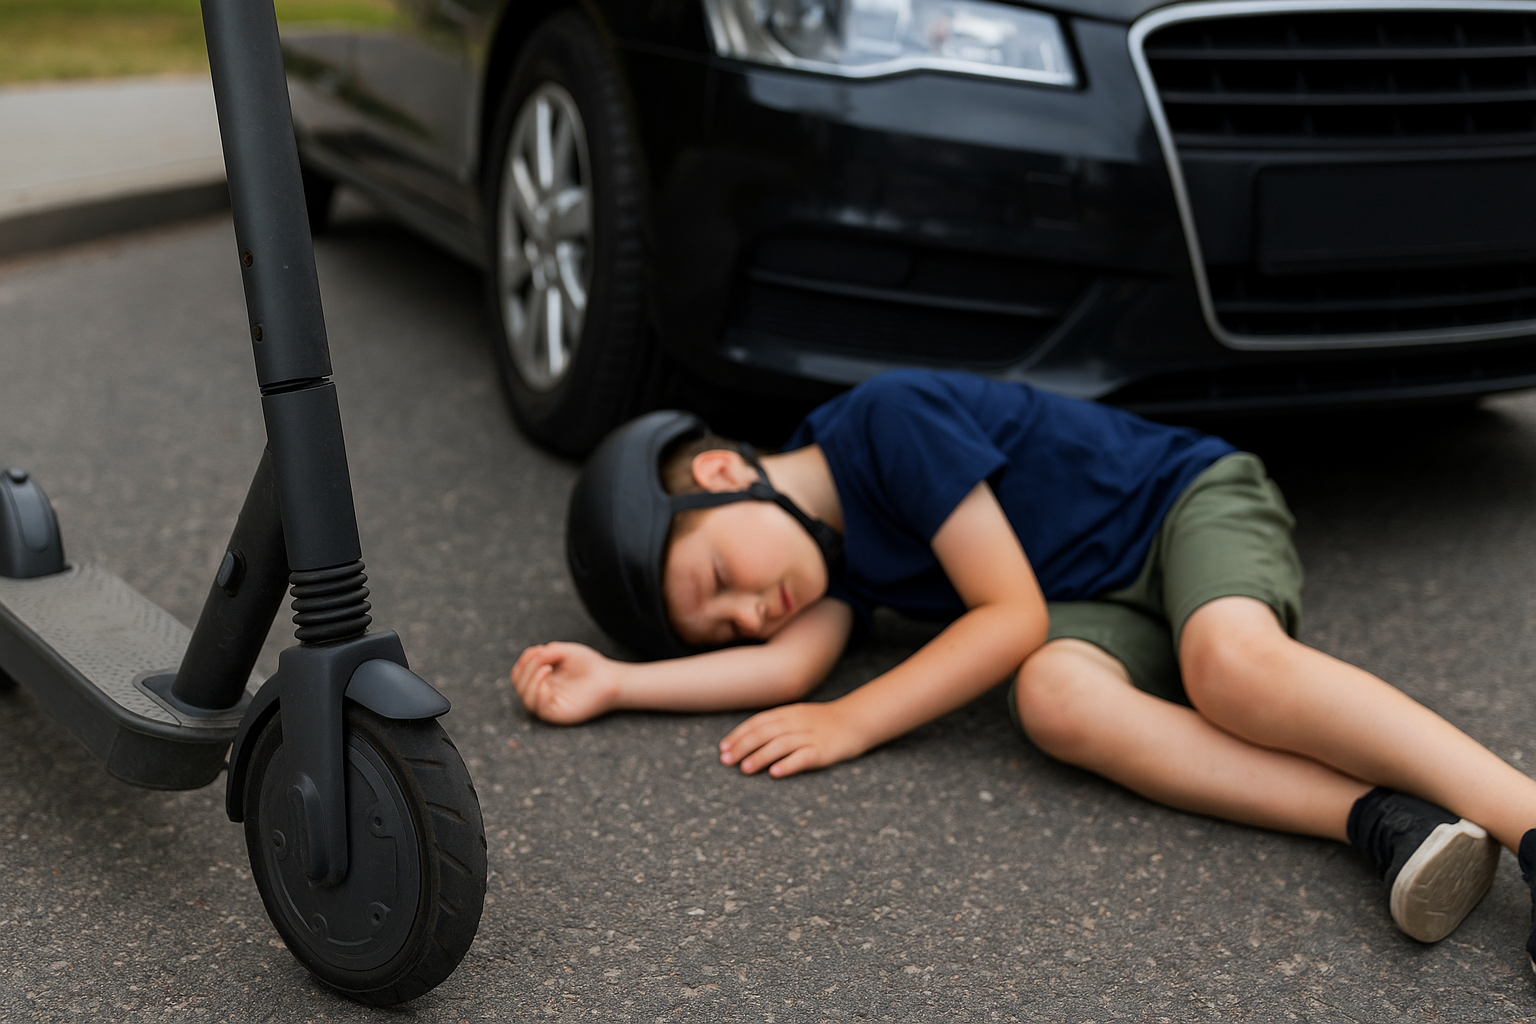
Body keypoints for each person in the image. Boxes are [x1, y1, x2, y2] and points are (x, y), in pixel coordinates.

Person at [511, 368, 1536, 961]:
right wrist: (618, 681)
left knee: (1227, 664)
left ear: (725, 473)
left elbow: (1007, 613)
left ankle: (1525, 815)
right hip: (1095, 602)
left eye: (724, 575)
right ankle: (1384, 820)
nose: (752, 609)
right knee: (1052, 697)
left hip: (1180, 507)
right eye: (726, 622)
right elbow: (785, 671)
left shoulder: (884, 424)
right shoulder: (826, 567)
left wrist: (857, 718)